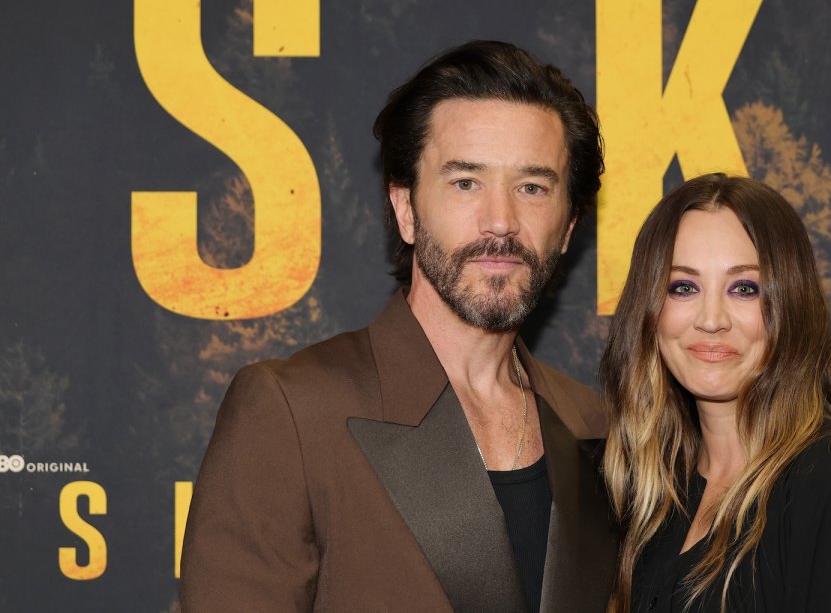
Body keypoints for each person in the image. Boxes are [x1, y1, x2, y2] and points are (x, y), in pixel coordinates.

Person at [180, 41, 616, 613]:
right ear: (406, 210)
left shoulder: (597, 427)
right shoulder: (293, 412)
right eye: (466, 182)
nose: (501, 221)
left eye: (532, 187)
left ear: (568, 228)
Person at [602, 174, 831, 612]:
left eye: (744, 289)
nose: (711, 319)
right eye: (683, 287)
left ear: (790, 305)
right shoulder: (653, 497)